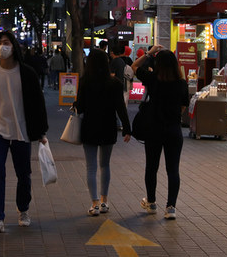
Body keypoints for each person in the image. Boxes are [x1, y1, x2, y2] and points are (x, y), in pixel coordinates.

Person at [0, 31, 48, 235]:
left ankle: (23, 209)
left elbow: (37, 104)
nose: (2, 46)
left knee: (23, 174)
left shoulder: (26, 73)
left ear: (14, 46)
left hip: (21, 130)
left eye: (6, 43)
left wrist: (40, 131)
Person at [131, 45, 190, 220]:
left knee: (152, 167)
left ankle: (151, 203)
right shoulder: (181, 83)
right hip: (173, 130)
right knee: (173, 169)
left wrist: (148, 53)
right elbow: (183, 106)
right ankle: (170, 207)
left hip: (153, 129)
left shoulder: (152, 79)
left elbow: (134, 67)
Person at [73, 49, 131, 216]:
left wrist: (76, 103)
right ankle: (105, 201)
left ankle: (95, 203)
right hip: (108, 127)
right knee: (105, 165)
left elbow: (81, 107)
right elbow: (121, 108)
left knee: (91, 167)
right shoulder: (115, 83)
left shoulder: (84, 82)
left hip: (89, 127)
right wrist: (127, 129)